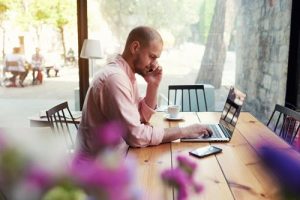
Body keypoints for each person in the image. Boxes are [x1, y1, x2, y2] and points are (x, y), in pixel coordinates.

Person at [77, 26, 212, 156]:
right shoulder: (115, 79)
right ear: (135, 47)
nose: (154, 64)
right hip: (98, 171)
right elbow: (136, 136)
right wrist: (185, 131)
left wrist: (153, 85)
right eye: (152, 57)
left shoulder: (125, 75)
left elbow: (141, 117)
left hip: (118, 157)